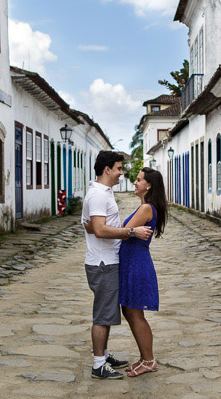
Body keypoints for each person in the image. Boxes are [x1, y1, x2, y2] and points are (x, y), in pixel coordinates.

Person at [88, 167, 167, 377]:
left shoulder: (146, 209)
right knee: (131, 311)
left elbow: (123, 232)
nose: (135, 182)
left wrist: (102, 227)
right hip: (133, 260)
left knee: (134, 313)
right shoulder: (146, 207)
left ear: (149, 185)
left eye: (139, 180)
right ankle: (144, 358)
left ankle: (149, 360)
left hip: (136, 262)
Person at [81, 150, 153, 380]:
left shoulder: (104, 193)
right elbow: (100, 230)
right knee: (103, 314)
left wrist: (94, 227)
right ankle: (99, 364)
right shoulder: (99, 196)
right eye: (119, 168)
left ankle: (105, 354)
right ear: (107, 170)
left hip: (108, 261)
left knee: (108, 310)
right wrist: (132, 231)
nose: (122, 173)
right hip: (103, 263)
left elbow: (94, 225)